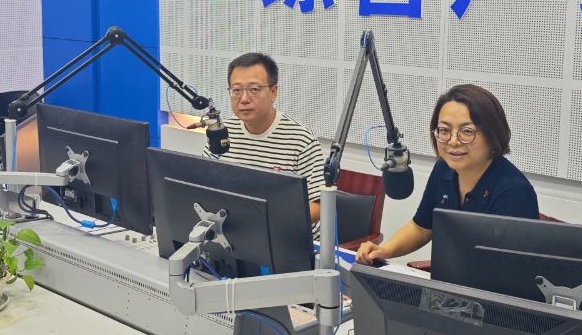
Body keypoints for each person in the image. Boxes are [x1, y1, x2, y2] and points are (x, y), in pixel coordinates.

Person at [355, 83, 538, 265]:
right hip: (449, 279)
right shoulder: (444, 168)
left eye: (467, 132)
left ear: (493, 135)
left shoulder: (514, 192)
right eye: (444, 130)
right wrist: (384, 250)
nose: (453, 141)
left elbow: (511, 268)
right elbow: (421, 228)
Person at [205, 52, 326, 236]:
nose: (244, 99)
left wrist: (266, 219)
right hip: (237, 233)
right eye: (236, 90)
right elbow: (203, 186)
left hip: (288, 237)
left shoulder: (300, 139)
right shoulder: (222, 132)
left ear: (273, 92)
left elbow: (319, 206)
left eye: (254, 89)